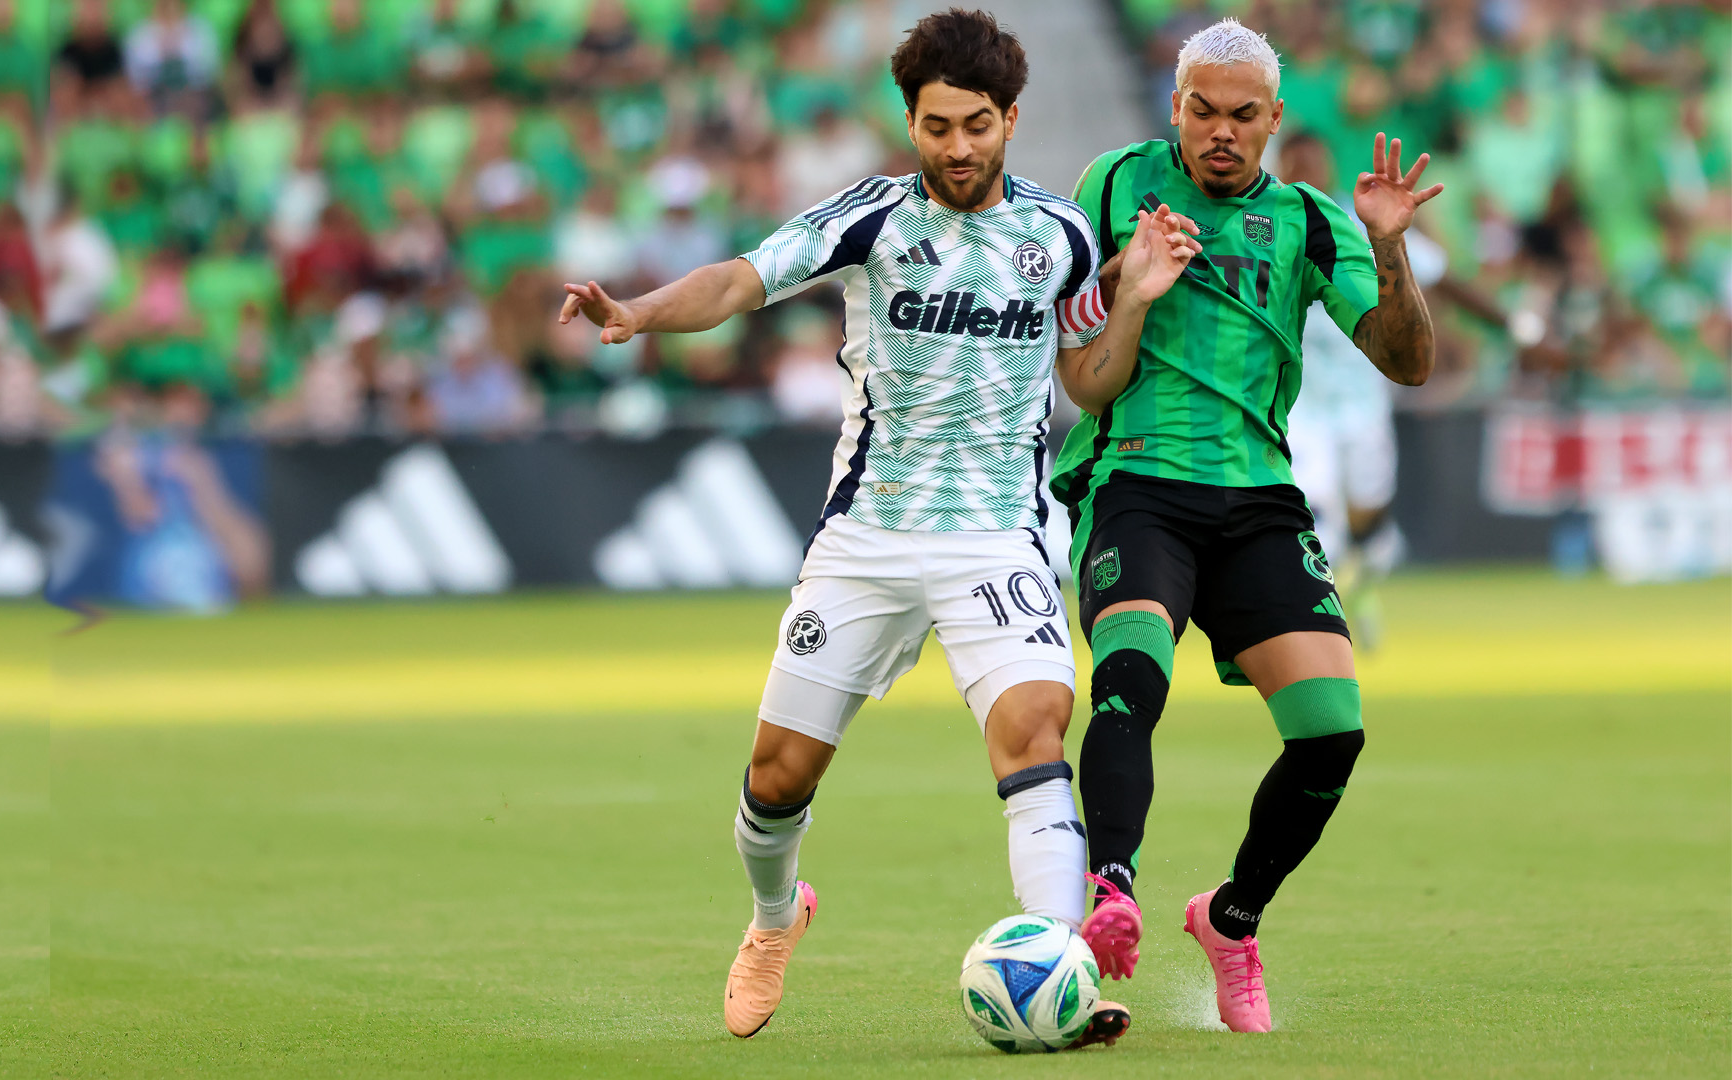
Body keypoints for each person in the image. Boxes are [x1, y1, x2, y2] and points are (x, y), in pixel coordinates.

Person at [557, 9, 1194, 1044]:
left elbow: (1089, 377)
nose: (956, 147)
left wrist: (1129, 304)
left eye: (976, 126)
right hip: (871, 535)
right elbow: (738, 281)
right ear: (911, 120)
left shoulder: (1062, 239)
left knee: (1035, 734)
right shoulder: (869, 221)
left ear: (1011, 120)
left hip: (998, 534)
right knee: (776, 780)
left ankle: (1056, 968)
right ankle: (773, 919)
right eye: (936, 126)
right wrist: (638, 310)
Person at [1052, 18, 1440, 1033]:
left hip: (1260, 499)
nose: (1219, 133)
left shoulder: (1314, 223)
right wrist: (1132, 292)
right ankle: (1112, 891)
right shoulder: (1113, 186)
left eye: (1242, 116)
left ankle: (1231, 918)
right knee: (1131, 679)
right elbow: (1083, 378)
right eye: (1201, 112)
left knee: (1331, 734)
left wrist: (1389, 247)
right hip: (1136, 480)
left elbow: (1408, 360)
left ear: (1274, 121)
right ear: (1174, 110)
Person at [1277, 132, 1446, 648]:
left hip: (1365, 404)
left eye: (1314, 163)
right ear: (1282, 168)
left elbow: (1441, 274)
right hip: (1302, 405)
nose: (1306, 174)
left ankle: (1360, 581)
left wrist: (1515, 324)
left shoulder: (1362, 229)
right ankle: (1324, 628)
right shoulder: (1266, 233)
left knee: (1369, 514)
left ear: (1328, 169)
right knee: (1316, 507)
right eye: (1295, 165)